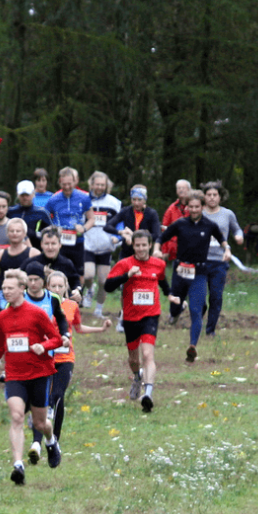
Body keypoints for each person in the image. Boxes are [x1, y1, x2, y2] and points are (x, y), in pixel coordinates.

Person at [0, 270, 64, 485]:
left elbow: (57, 339)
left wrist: (42, 346)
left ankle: (51, 442)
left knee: (40, 422)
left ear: (21, 289)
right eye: (4, 288)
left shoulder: (37, 314)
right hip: (15, 375)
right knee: (16, 417)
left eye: (10, 288)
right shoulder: (3, 317)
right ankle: (18, 465)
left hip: (39, 374)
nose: (5, 292)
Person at [41, 271, 111, 453]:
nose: (57, 289)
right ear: (47, 288)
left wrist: (100, 329)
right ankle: (50, 437)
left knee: (56, 395)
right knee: (52, 398)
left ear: (66, 288)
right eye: (53, 286)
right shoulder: (41, 306)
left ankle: (54, 438)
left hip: (65, 359)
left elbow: (78, 328)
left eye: (60, 286)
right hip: (44, 358)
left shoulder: (72, 306)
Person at [159, 190, 231, 361]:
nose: (194, 210)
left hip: (199, 272)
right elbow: (162, 237)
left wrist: (226, 249)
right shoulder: (180, 224)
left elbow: (222, 239)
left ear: (202, 206)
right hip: (180, 272)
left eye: (197, 207)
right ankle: (176, 312)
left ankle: (192, 346)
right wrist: (156, 249)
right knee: (174, 307)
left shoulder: (209, 225)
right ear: (187, 208)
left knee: (195, 310)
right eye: (190, 207)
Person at [103, 231, 169, 412]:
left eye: (144, 245)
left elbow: (162, 281)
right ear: (133, 246)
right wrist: (127, 276)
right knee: (133, 358)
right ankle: (137, 377)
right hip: (131, 317)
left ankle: (147, 394)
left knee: (148, 354)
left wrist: (171, 295)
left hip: (151, 315)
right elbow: (108, 286)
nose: (141, 248)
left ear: (150, 245)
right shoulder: (124, 264)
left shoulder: (159, 264)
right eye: (137, 245)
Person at [199, 181, 245, 338]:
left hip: (219, 261)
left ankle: (210, 330)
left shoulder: (227, 214)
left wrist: (239, 236)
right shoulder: (198, 213)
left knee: (216, 296)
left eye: (215, 195)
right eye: (209, 195)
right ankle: (198, 320)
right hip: (200, 261)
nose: (212, 198)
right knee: (199, 296)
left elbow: (236, 228)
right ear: (204, 197)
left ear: (220, 197)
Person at [82, 172, 121, 317]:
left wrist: (118, 236)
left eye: (102, 185)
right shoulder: (83, 200)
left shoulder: (114, 202)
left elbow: (121, 222)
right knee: (88, 274)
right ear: (91, 184)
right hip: (88, 244)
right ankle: (90, 288)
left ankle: (98, 309)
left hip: (105, 246)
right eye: (97, 184)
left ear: (107, 186)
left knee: (104, 281)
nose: (99, 187)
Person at [44, 167, 92, 273]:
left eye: (69, 184)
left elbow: (91, 219)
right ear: (59, 182)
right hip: (59, 242)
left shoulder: (84, 197)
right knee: (58, 271)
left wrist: (83, 228)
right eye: (63, 184)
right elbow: (44, 219)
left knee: (79, 272)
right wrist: (52, 228)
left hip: (78, 241)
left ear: (75, 182)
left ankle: (78, 289)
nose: (67, 187)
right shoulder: (53, 199)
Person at [8, 180, 52, 248]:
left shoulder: (42, 213)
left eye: (27, 195)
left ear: (33, 194)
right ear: (18, 195)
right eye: (22, 195)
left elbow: (50, 233)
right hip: (13, 248)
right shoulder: (11, 212)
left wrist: (34, 234)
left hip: (36, 249)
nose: (25, 198)